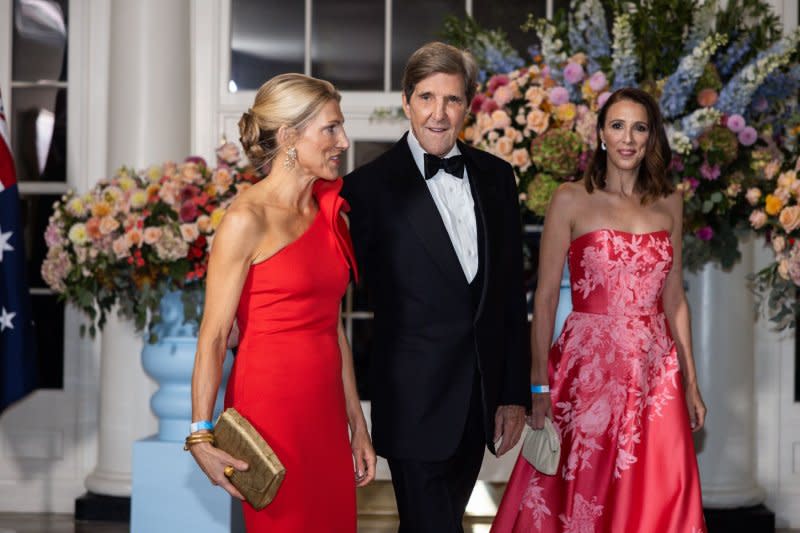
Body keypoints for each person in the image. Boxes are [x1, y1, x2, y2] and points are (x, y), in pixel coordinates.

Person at [491, 87, 707, 532]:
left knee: (659, 491)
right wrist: (538, 386)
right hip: (585, 369)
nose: (628, 138)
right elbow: (546, 296)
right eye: (617, 125)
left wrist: (690, 381)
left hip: (655, 373)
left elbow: (674, 298)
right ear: (602, 135)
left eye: (639, 127)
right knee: (580, 493)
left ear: (651, 138)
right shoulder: (571, 198)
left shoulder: (671, 202)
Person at [341, 42, 531, 533]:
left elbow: (510, 295)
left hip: (480, 403)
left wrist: (513, 393)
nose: (439, 113)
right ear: (407, 102)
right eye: (426, 97)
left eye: (452, 100)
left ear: (468, 105)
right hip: (411, 402)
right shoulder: (367, 188)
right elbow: (334, 285)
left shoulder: (497, 177)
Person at [187, 73, 376, 532]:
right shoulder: (245, 220)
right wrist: (200, 436)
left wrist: (358, 424)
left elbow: (332, 327)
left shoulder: (330, 215)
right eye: (330, 128)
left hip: (325, 411)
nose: (344, 141)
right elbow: (213, 337)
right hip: (270, 409)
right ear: (290, 136)